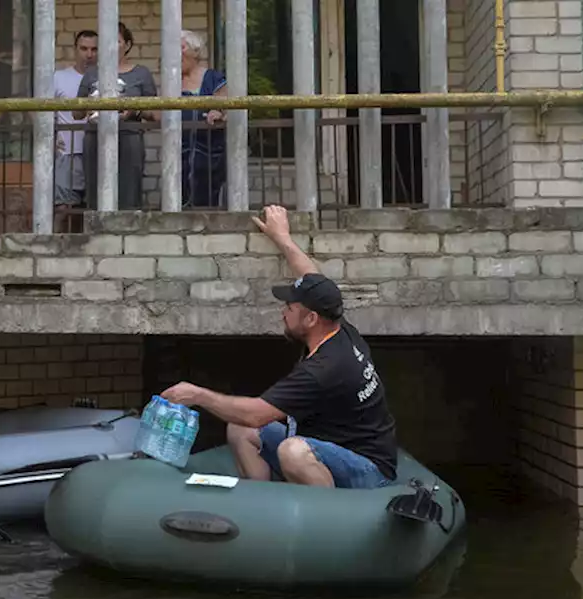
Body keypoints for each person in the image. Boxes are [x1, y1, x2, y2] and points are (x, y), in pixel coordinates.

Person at [160, 204, 398, 489]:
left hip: (368, 469)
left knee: (292, 451)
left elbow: (257, 413)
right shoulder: (339, 327)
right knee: (240, 429)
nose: (283, 312)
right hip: (326, 444)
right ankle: (267, 506)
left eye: (289, 307)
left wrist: (197, 394)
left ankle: (328, 519)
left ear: (311, 318)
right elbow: (313, 278)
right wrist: (281, 236)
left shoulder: (323, 369)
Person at [73, 22, 157, 210]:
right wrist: (91, 105)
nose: (111, 46)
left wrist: (134, 109)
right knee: (95, 188)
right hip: (95, 137)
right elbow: (76, 112)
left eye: (117, 41)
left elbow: (156, 113)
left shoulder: (141, 73)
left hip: (129, 137)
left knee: (129, 189)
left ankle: (128, 233)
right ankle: (96, 233)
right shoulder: (92, 72)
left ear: (127, 45)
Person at [179, 30, 227, 209]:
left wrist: (219, 111)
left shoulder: (213, 78)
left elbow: (226, 103)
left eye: (181, 48)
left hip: (209, 151)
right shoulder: (173, 81)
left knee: (208, 196)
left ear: (195, 51)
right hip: (180, 153)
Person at [53, 29, 98, 221]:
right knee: (64, 208)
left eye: (94, 49)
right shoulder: (59, 78)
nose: (89, 54)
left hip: (99, 151)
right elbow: (40, 111)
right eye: (84, 48)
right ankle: (53, 248)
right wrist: (51, 138)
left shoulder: (106, 78)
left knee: (94, 208)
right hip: (69, 152)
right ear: (75, 50)